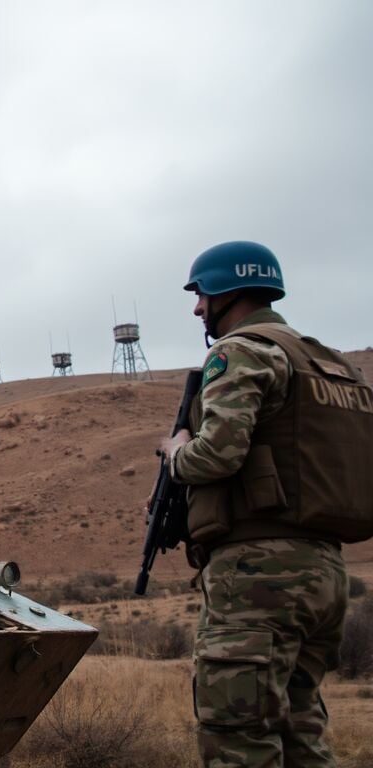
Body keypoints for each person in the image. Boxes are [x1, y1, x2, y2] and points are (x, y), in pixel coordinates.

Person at [159, 241, 372, 767]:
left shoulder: (242, 351)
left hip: (257, 577)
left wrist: (175, 453)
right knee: (302, 735)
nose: (196, 308)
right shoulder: (330, 364)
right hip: (324, 573)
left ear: (228, 292)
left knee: (238, 738)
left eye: (201, 294)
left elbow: (217, 455)